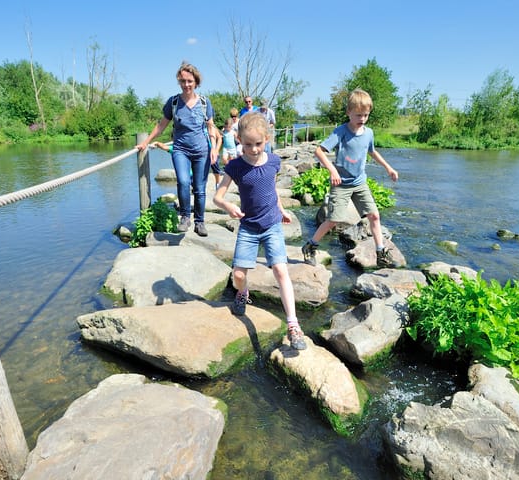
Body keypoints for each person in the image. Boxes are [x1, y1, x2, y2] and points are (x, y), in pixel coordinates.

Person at [213, 112, 307, 350]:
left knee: (280, 270)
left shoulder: (274, 161)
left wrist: (282, 209)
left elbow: (272, 189)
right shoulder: (235, 166)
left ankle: (293, 325)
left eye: (258, 144)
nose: (253, 149)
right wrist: (228, 205)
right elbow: (217, 197)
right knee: (238, 276)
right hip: (248, 227)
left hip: (272, 225)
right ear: (239, 140)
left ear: (266, 139)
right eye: (247, 144)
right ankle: (243, 293)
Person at [301, 88, 399, 268]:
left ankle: (380, 253)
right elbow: (319, 151)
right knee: (333, 220)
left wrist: (388, 168)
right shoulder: (341, 132)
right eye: (358, 115)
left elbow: (372, 151)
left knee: (374, 216)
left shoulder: (368, 133)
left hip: (359, 182)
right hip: (341, 185)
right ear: (349, 112)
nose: (362, 119)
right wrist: (332, 170)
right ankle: (310, 246)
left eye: (366, 115)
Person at [136, 62, 220, 237]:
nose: (186, 84)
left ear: (196, 82)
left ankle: (200, 222)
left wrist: (214, 149)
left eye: (189, 81)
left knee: (200, 188)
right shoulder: (173, 102)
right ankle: (184, 217)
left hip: (202, 151)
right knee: (183, 182)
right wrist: (146, 142)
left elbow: (211, 127)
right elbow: (162, 125)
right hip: (181, 149)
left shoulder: (205, 103)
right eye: (182, 81)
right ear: (179, 82)